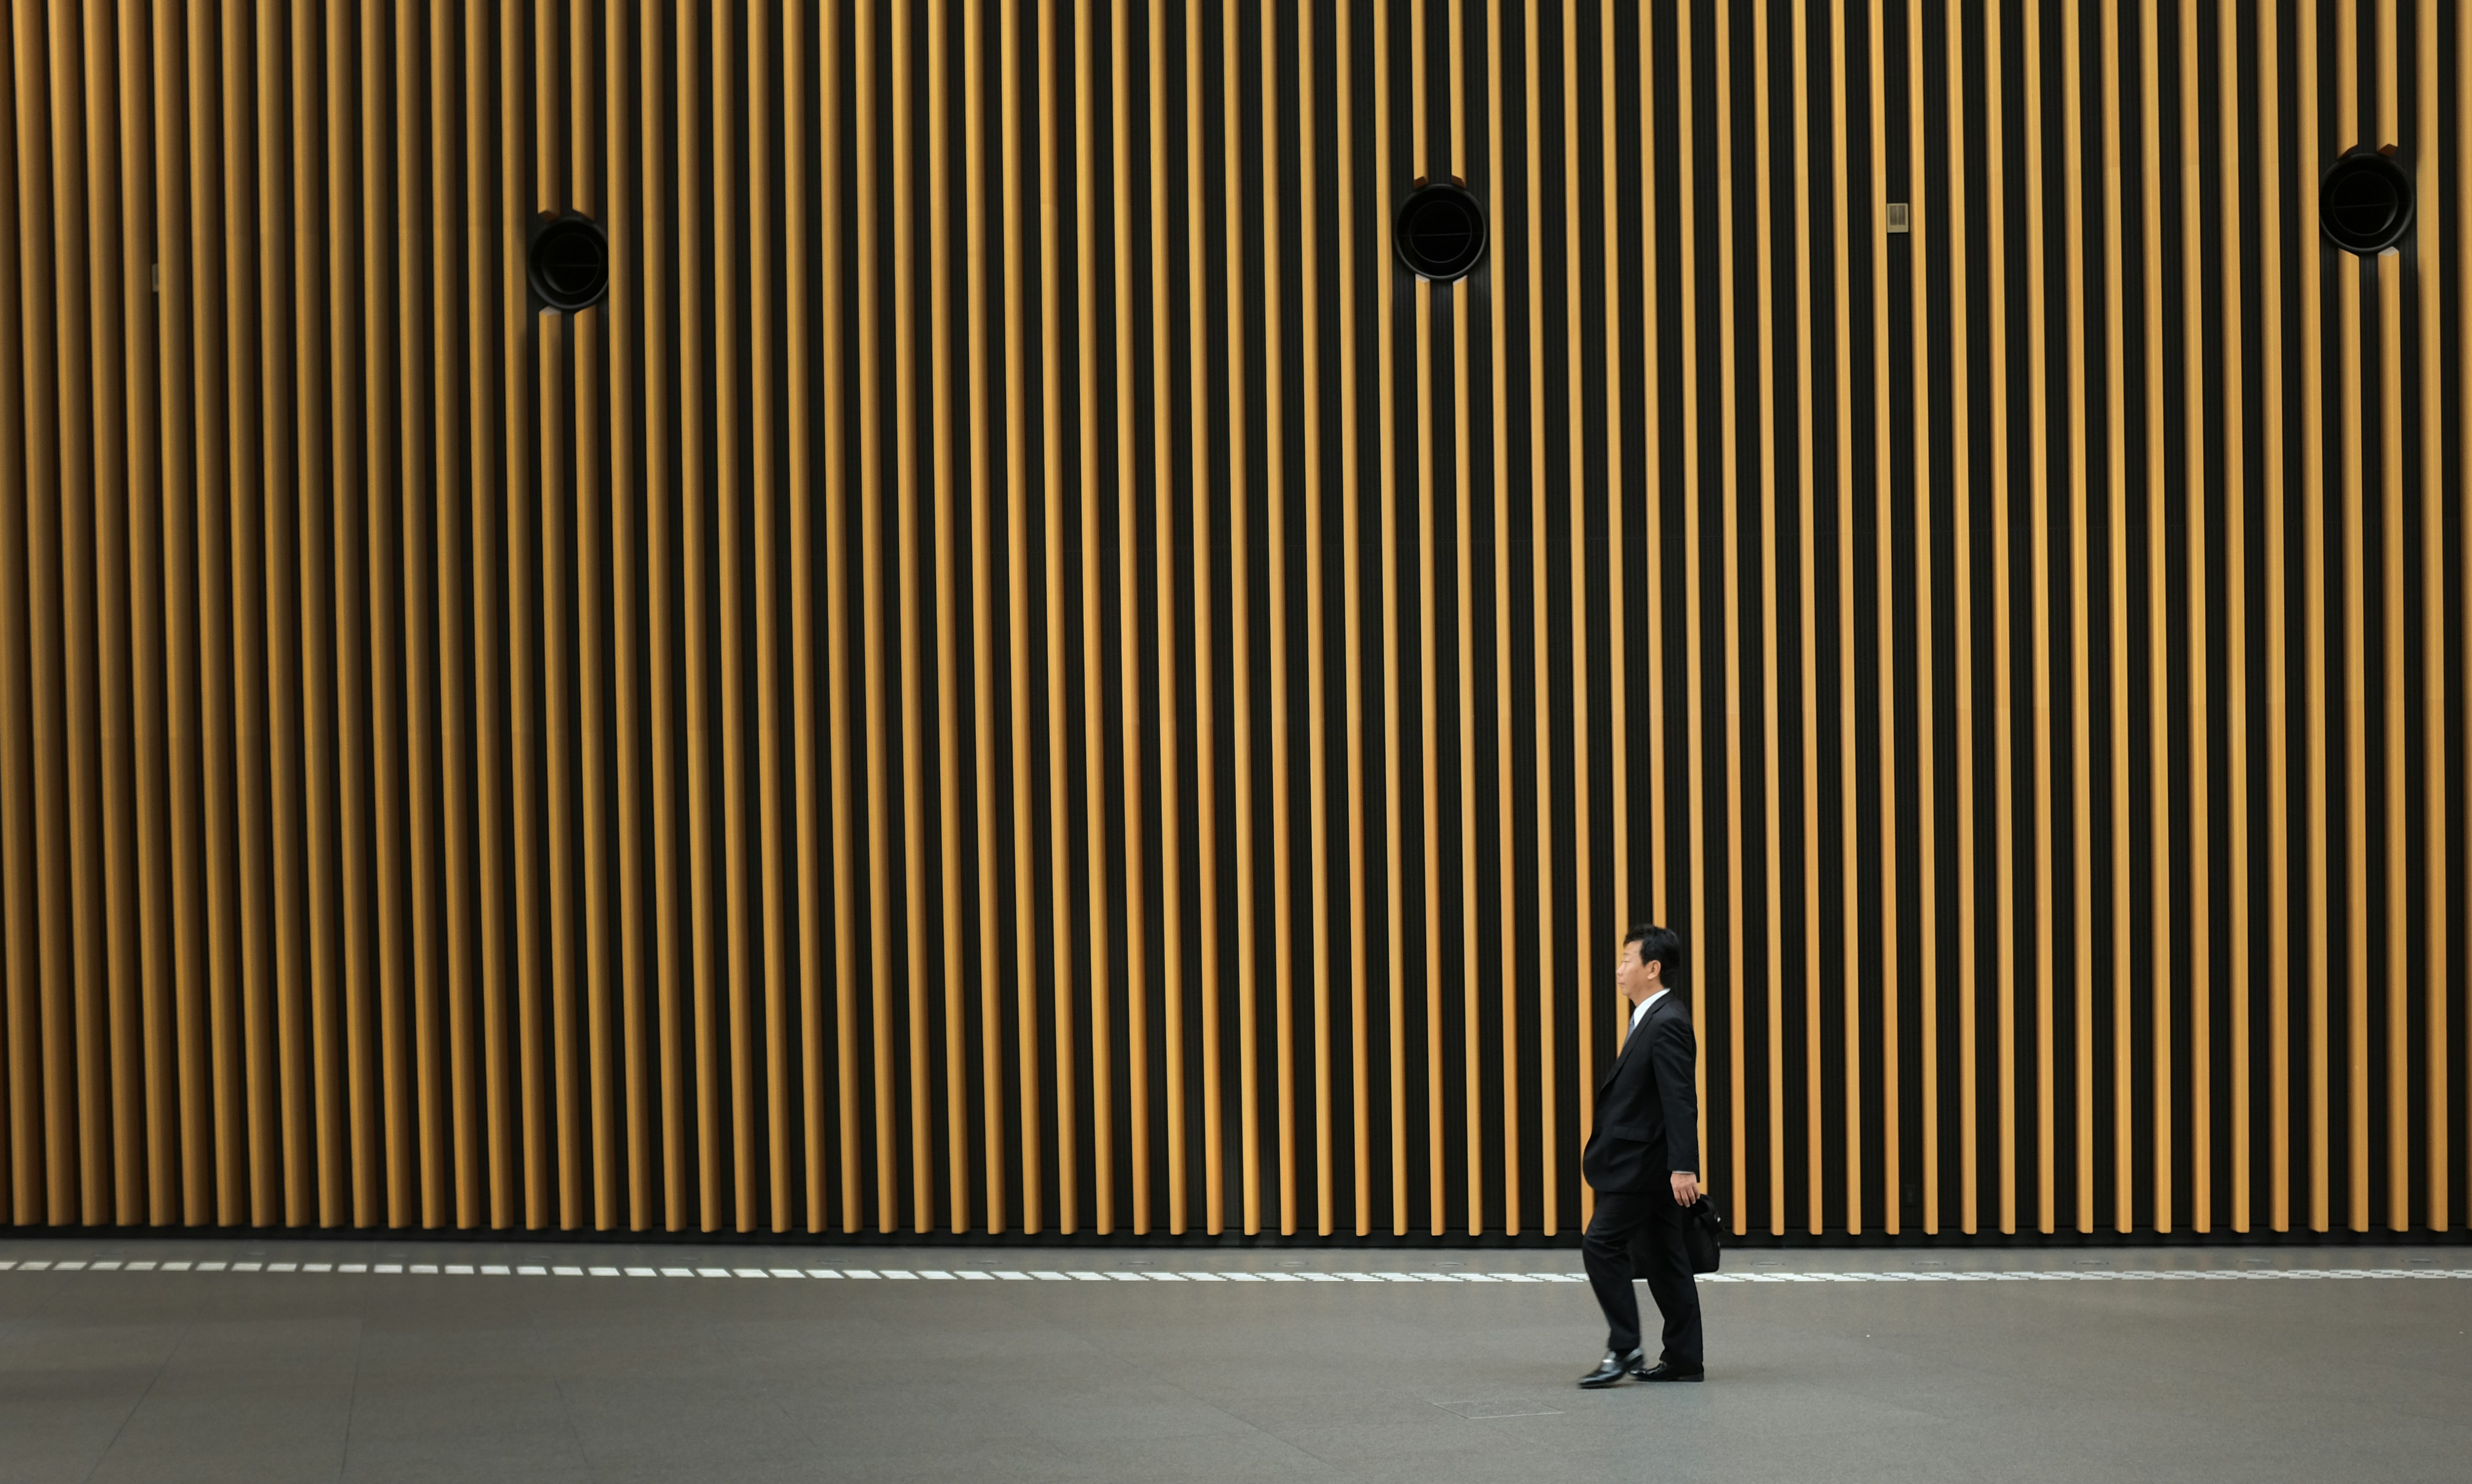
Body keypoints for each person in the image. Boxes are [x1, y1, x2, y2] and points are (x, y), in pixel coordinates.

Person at [1575, 924, 1705, 1388]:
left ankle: (1624, 1344)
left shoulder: (1666, 1021)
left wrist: (1683, 1167)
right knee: (1664, 1256)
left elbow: (1679, 1099)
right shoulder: (1651, 1016)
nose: (1619, 969)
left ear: (1652, 968)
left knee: (1600, 1244)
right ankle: (1685, 1358)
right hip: (1649, 1163)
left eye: (1627, 959)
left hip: (1644, 1166)